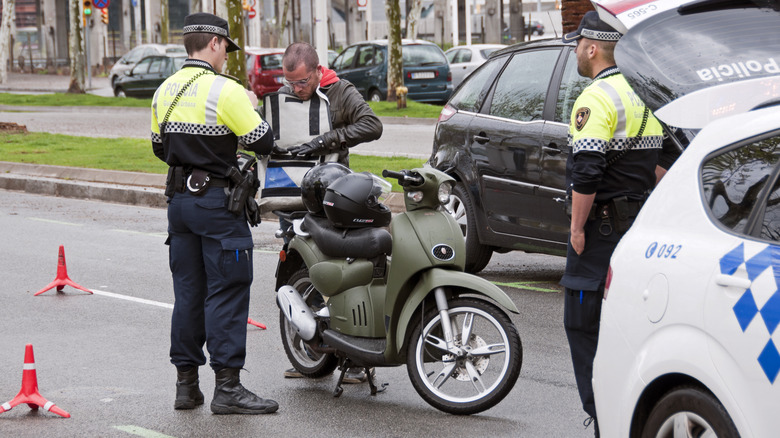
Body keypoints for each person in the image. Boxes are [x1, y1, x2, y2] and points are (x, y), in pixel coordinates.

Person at [150, 12, 278, 415]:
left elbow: (159, 147)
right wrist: (251, 108)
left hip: (179, 204)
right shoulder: (227, 90)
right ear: (215, 44)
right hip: (218, 205)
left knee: (188, 294)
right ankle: (228, 388)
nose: (226, 56)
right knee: (227, 291)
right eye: (226, 49)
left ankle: (186, 387)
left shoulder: (164, 90)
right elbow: (263, 141)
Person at [559, 11, 666, 436]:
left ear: (592, 48)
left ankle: (604, 417)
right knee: (626, 328)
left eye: (577, 44)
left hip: (600, 235)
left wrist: (576, 229)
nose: (574, 51)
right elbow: (661, 166)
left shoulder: (596, 98)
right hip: (636, 229)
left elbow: (587, 172)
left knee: (583, 325)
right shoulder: (644, 93)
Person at [264, 42, 383, 383]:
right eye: (289, 83)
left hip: (333, 200)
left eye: (302, 82)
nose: (295, 90)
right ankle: (310, 354)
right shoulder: (285, 95)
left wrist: (326, 139)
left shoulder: (340, 91)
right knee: (297, 276)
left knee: (341, 275)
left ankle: (356, 359)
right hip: (291, 197)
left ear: (318, 71)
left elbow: (372, 125)